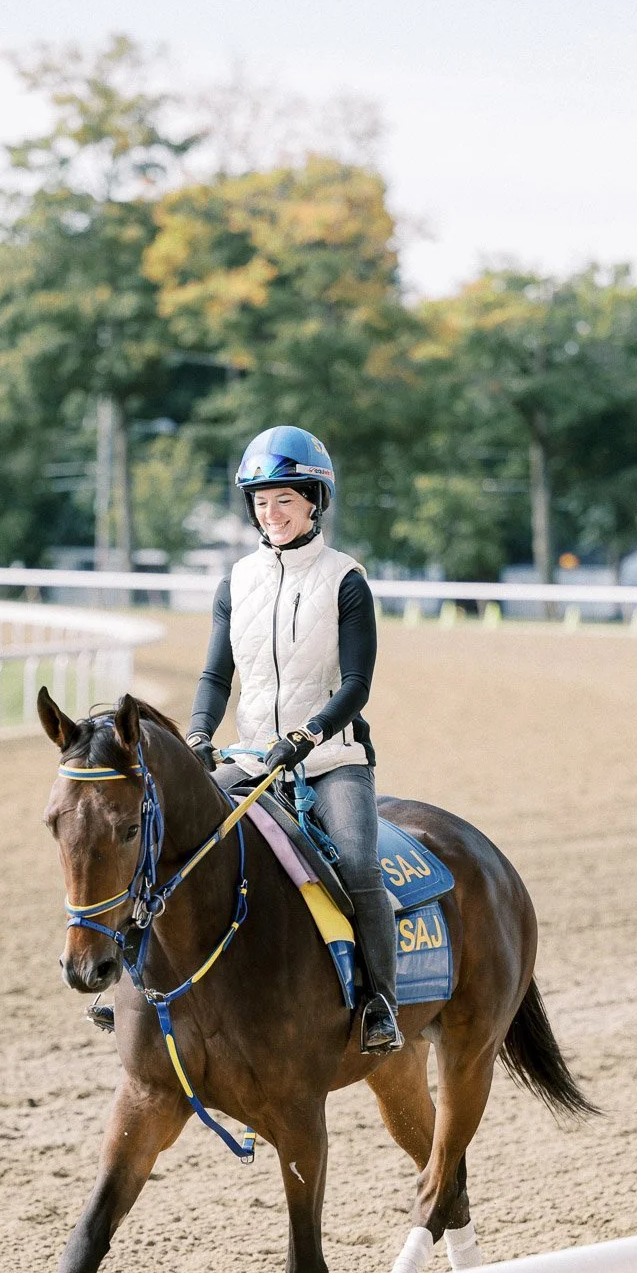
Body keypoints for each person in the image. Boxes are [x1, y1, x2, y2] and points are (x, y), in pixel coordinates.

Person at [186, 425, 403, 1054]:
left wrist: (306, 738)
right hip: (252, 760)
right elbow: (213, 675)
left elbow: (356, 686)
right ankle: (143, 982)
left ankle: (380, 1005)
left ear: (314, 499)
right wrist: (200, 735)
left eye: (284, 500)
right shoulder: (236, 582)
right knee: (175, 837)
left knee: (360, 865)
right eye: (260, 501)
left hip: (333, 761)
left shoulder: (346, 581)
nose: (271, 513)